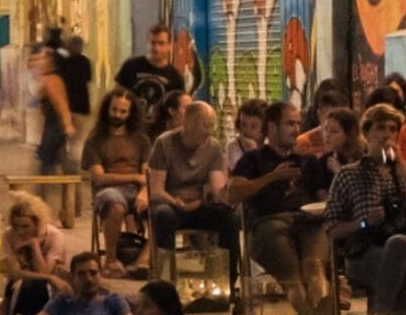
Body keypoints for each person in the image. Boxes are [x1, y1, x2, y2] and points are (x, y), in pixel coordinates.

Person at [324, 104, 406, 315]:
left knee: (399, 243)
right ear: (367, 133)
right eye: (381, 128)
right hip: (365, 252)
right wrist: (362, 223)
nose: (387, 135)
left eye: (393, 129)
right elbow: (332, 229)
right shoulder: (349, 175)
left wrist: (399, 164)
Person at [229, 100, 333, 315]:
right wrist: (271, 178)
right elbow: (233, 193)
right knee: (292, 278)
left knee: (314, 267)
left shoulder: (307, 161)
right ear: (272, 127)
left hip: (307, 221)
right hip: (269, 223)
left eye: (298, 123)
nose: (296, 129)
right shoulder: (253, 160)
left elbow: (322, 197)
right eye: (290, 124)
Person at [146, 100, 237, 265]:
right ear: (188, 123)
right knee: (163, 215)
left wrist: (222, 195)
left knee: (227, 217)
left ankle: (227, 276)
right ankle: (167, 271)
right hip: (170, 203)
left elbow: (217, 188)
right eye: (205, 125)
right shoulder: (164, 143)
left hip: (198, 204)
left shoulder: (213, 147)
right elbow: (156, 191)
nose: (209, 131)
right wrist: (177, 203)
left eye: (211, 126)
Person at [81, 87, 150, 274]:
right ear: (107, 110)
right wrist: (135, 177)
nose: (117, 115)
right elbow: (99, 177)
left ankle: (144, 260)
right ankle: (110, 261)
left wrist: (145, 192)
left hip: (136, 190)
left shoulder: (141, 140)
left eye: (123, 111)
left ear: (130, 113)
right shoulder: (95, 141)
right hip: (108, 191)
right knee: (116, 203)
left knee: (161, 209)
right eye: (114, 110)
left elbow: (147, 174)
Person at [1, 193, 69, 315]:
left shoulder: (54, 236)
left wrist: (35, 246)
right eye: (16, 226)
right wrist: (49, 277)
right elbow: (14, 273)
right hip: (20, 286)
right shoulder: (8, 235)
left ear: (37, 223)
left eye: (26, 226)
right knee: (19, 285)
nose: (20, 231)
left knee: (41, 286)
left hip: (50, 289)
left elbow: (43, 272)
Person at [115, 23, 187, 112]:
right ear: (147, 43)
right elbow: (117, 96)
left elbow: (180, 108)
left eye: (161, 43)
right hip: (132, 123)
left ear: (169, 46)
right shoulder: (130, 66)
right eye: (153, 43)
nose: (156, 48)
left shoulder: (175, 78)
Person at [32, 47, 75, 180]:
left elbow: (61, 103)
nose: (40, 62)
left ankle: (43, 193)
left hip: (55, 127)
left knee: (49, 163)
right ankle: (70, 192)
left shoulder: (52, 80)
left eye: (43, 59)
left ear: (51, 62)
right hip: (52, 125)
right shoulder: (49, 79)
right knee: (57, 161)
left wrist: (67, 124)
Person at [293, 82, 353, 157]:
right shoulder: (303, 143)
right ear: (319, 115)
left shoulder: (357, 142)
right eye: (330, 116)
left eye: (342, 117)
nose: (336, 122)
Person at [316, 107, 361, 178]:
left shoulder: (363, 161)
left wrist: (339, 172)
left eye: (334, 131)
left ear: (349, 135)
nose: (327, 135)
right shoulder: (325, 161)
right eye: (325, 129)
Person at [224, 99, 267, 172]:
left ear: (264, 129)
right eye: (243, 124)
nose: (247, 131)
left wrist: (254, 152)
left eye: (253, 126)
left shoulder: (272, 147)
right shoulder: (233, 147)